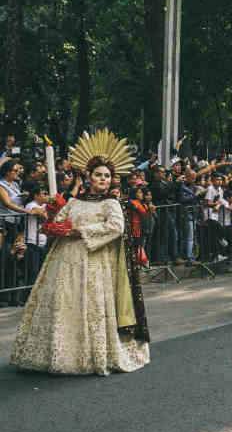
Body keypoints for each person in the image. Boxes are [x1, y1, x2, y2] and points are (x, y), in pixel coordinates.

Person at [11, 130, 149, 375]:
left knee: (90, 306)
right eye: (98, 175)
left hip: (95, 261)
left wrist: (81, 231)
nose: (103, 179)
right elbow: (56, 222)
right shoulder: (75, 201)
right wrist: (53, 215)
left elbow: (116, 227)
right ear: (89, 176)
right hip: (64, 260)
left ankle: (90, 354)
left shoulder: (111, 203)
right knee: (62, 303)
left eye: (107, 176)